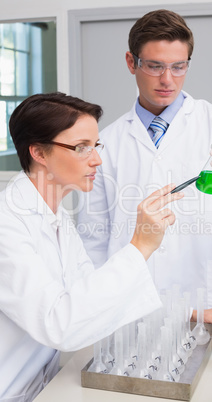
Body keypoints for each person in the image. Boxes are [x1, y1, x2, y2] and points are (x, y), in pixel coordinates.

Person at [77, 9, 212, 318]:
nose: (168, 79)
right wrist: (99, 309)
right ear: (132, 63)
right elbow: (94, 240)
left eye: (179, 67)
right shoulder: (106, 143)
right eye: (155, 66)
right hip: (131, 316)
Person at [0, 92, 184, 401]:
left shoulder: (55, 214)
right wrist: (139, 247)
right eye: (81, 147)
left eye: (95, 145)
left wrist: (187, 315)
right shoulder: (8, 224)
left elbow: (90, 297)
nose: (97, 158)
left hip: (43, 385)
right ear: (39, 153)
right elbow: (60, 324)